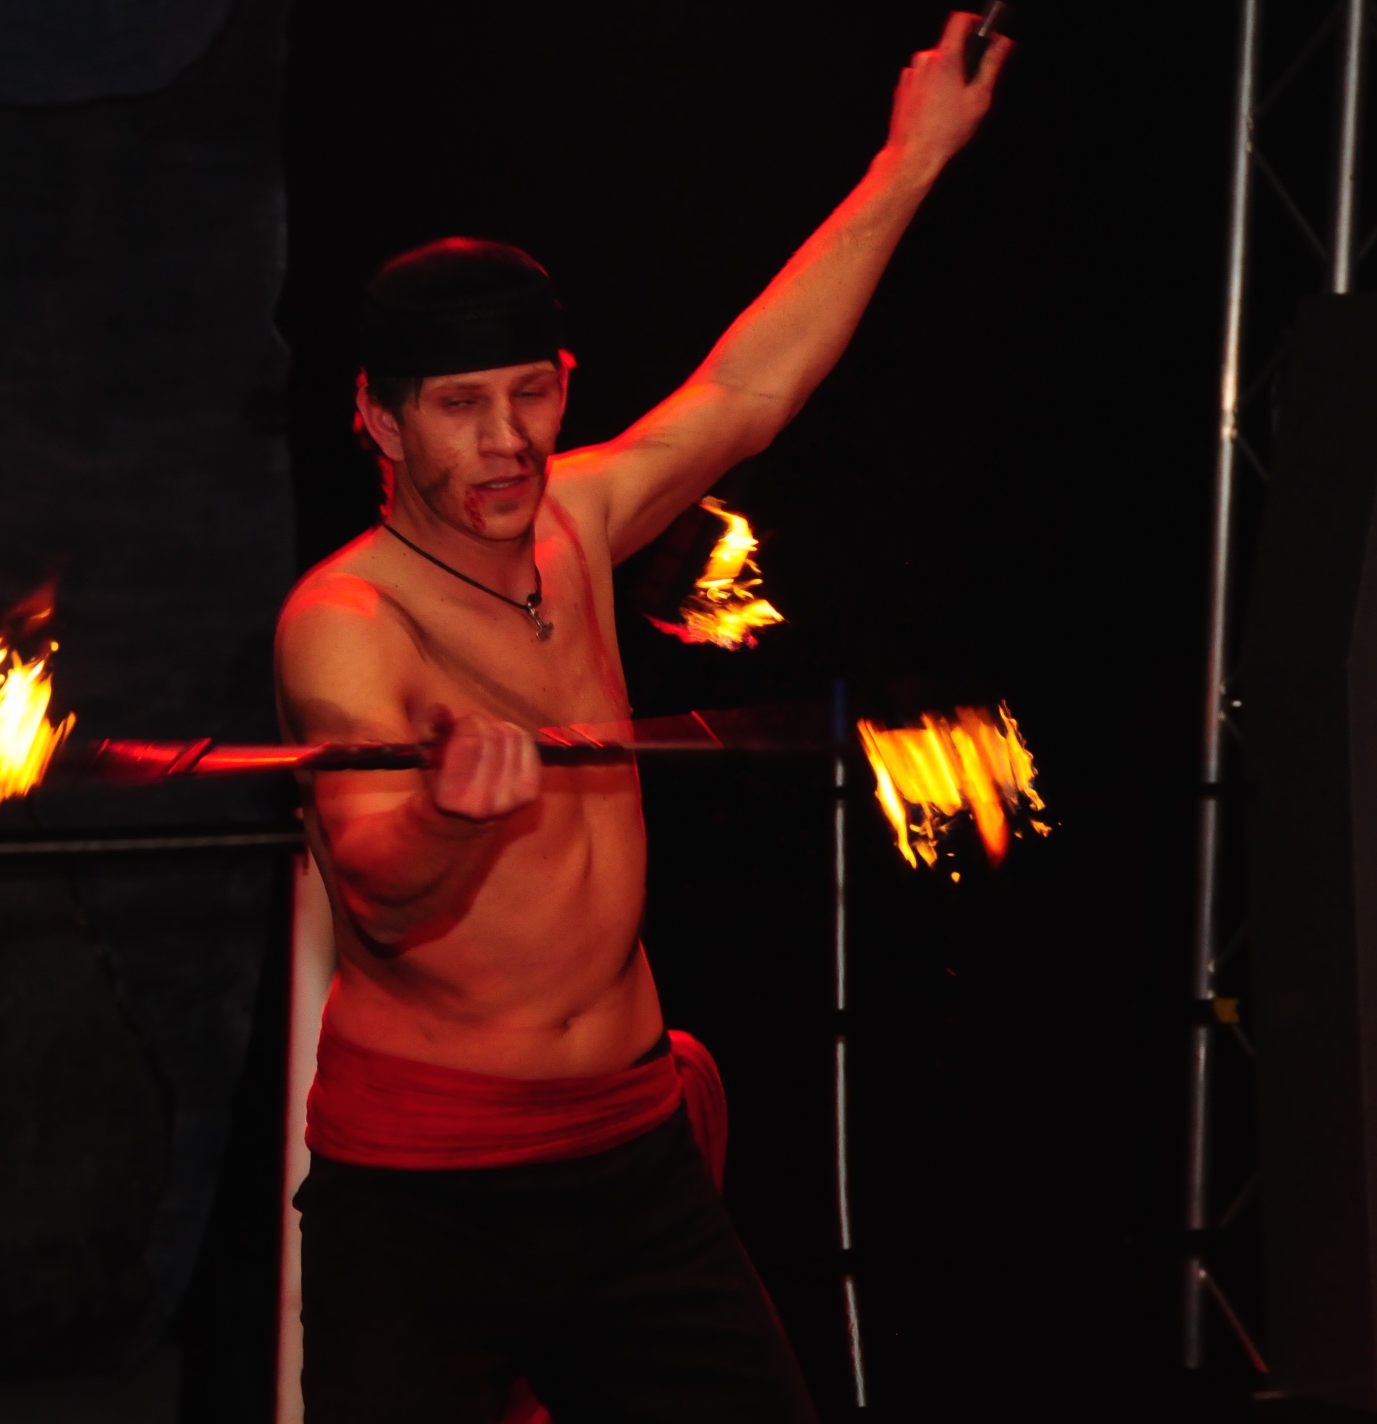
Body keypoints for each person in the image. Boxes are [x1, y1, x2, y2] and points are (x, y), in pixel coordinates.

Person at [274, 14, 1012, 1420]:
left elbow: (748, 389)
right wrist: (446, 820)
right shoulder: (351, 620)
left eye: (530, 395)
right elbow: (374, 883)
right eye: (460, 408)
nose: (506, 441)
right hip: (431, 1190)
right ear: (378, 419)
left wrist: (912, 157)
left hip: (628, 1157)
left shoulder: (577, 518)